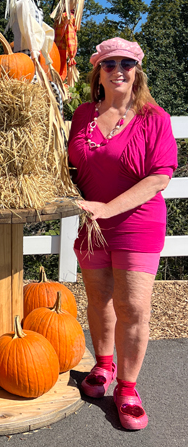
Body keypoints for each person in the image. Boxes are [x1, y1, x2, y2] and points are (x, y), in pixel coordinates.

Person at [68, 37, 177, 430]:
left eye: (126, 64)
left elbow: (159, 178)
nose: (119, 70)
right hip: (92, 227)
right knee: (98, 300)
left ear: (137, 71)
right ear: (97, 71)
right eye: (110, 63)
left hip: (137, 223)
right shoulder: (82, 116)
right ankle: (103, 365)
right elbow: (71, 171)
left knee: (133, 307)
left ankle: (127, 389)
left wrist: (108, 208)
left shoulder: (153, 117)